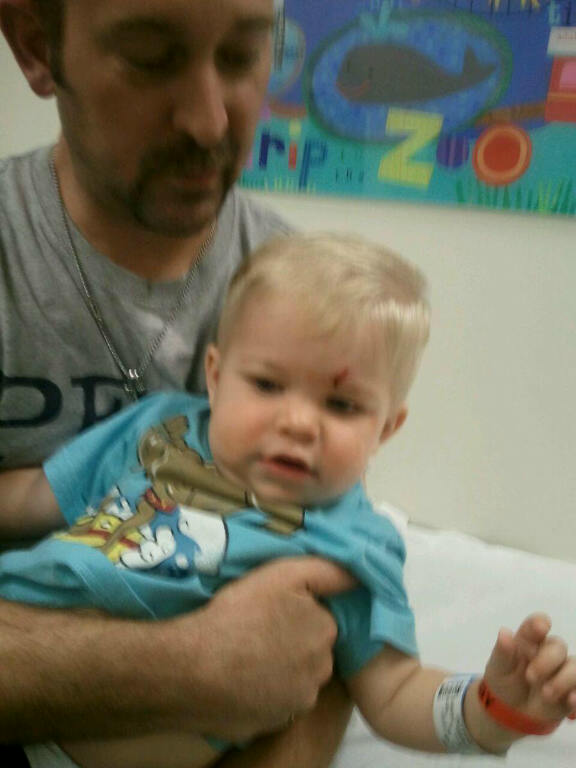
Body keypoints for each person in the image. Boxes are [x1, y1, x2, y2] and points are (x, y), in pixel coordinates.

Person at [1, 232, 575, 768]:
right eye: (268, 385)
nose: (298, 422)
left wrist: (492, 709)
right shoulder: (160, 427)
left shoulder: (352, 546)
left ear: (386, 428)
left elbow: (395, 691)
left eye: (342, 405)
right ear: (215, 375)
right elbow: (32, 496)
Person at [0, 0, 355, 765]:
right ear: (35, 46)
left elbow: (323, 626)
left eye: (242, 56)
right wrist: (184, 669)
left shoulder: (294, 285)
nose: (208, 121)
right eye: (150, 56)